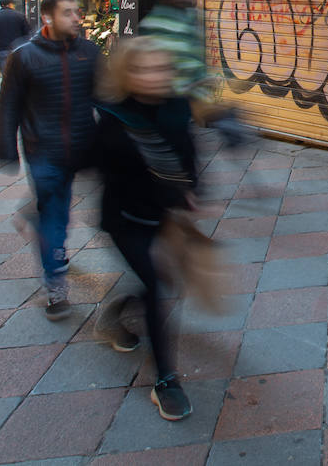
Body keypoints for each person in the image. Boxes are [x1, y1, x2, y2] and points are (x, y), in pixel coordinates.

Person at [90, 36, 198, 421]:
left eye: (160, 68)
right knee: (158, 285)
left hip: (161, 214)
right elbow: (98, 167)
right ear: (127, 73)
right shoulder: (115, 118)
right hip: (124, 219)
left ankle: (115, 313)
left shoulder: (175, 108)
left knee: (159, 282)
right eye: (142, 69)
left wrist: (190, 191)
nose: (153, 76)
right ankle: (166, 379)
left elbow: (187, 152)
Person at [0, 0, 100, 319]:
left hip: (83, 147)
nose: (76, 19)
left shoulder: (90, 53)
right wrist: (6, 149)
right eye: (67, 13)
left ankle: (33, 217)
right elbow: (8, 106)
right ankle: (55, 283)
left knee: (67, 210)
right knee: (56, 215)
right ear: (47, 17)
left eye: (77, 12)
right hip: (44, 152)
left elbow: (107, 98)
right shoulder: (24, 56)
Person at [140, 0, 247, 146]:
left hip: (187, 101)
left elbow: (196, 57)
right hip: (168, 102)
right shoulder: (154, 24)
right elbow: (171, 65)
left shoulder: (192, 17)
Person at [0, 0, 31, 75]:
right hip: (18, 50)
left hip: (1, 51)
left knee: (6, 74)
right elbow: (27, 34)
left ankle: (9, 86)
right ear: (10, 4)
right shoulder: (20, 16)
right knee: (19, 74)